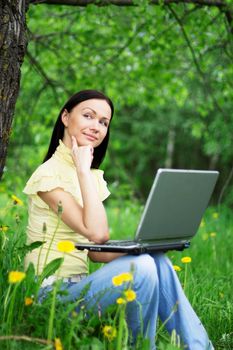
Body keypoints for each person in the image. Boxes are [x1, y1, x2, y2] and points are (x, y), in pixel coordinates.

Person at [23, 89, 213, 350]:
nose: (96, 126)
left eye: (103, 122)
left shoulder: (89, 175)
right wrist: (82, 170)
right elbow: (98, 235)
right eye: (88, 116)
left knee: (153, 259)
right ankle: (142, 347)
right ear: (65, 117)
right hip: (49, 300)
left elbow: (96, 252)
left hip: (81, 289)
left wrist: (142, 246)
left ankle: (200, 347)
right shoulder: (47, 177)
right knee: (142, 268)